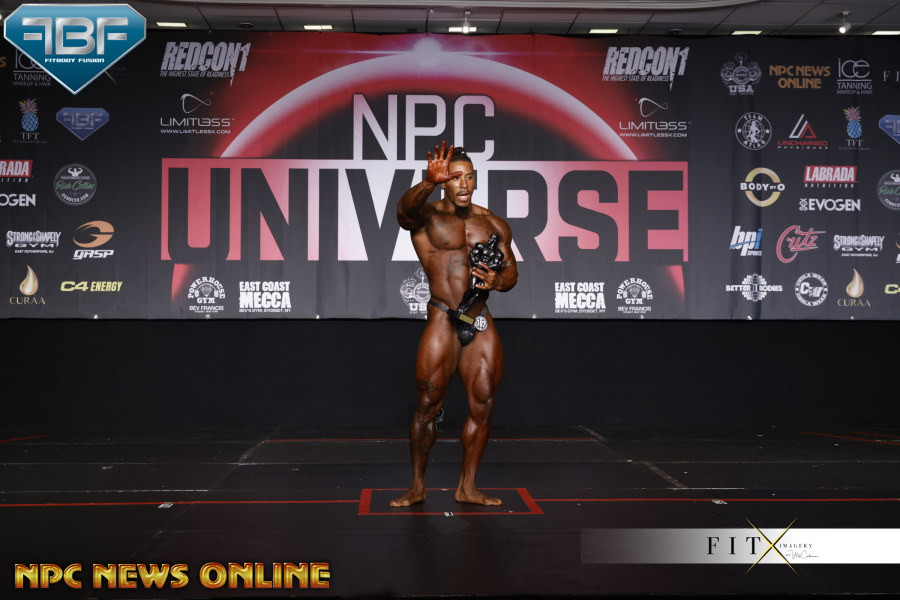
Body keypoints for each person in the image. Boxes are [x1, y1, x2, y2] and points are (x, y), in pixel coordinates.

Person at [391, 141, 518, 507]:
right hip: (443, 316)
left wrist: (497, 281)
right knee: (428, 403)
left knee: (484, 401)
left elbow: (511, 273)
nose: (463, 184)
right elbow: (403, 214)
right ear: (444, 182)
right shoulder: (426, 216)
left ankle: (468, 487)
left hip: (479, 318)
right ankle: (417, 486)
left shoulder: (493, 223)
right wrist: (427, 182)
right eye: (455, 178)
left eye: (469, 177)